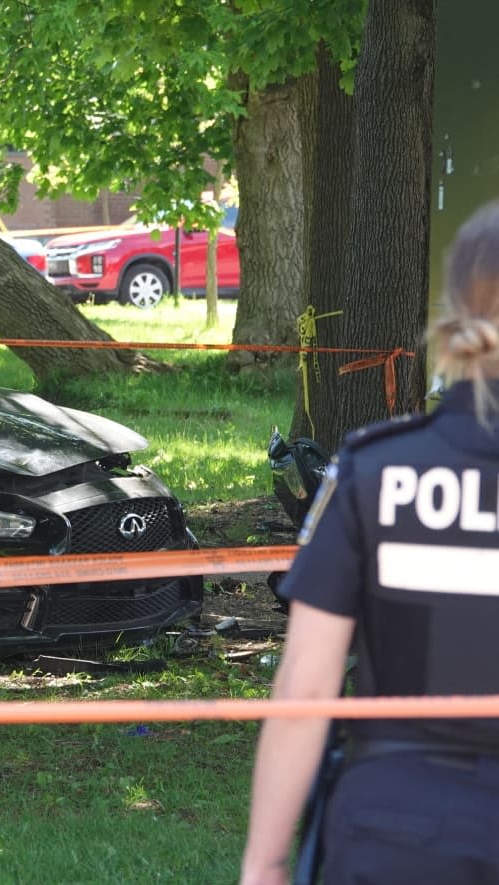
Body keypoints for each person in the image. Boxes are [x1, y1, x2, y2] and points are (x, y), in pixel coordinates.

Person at [241, 198, 499, 885]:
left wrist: (265, 863)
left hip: (397, 829)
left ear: (455, 316)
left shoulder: (376, 468)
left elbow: (306, 685)